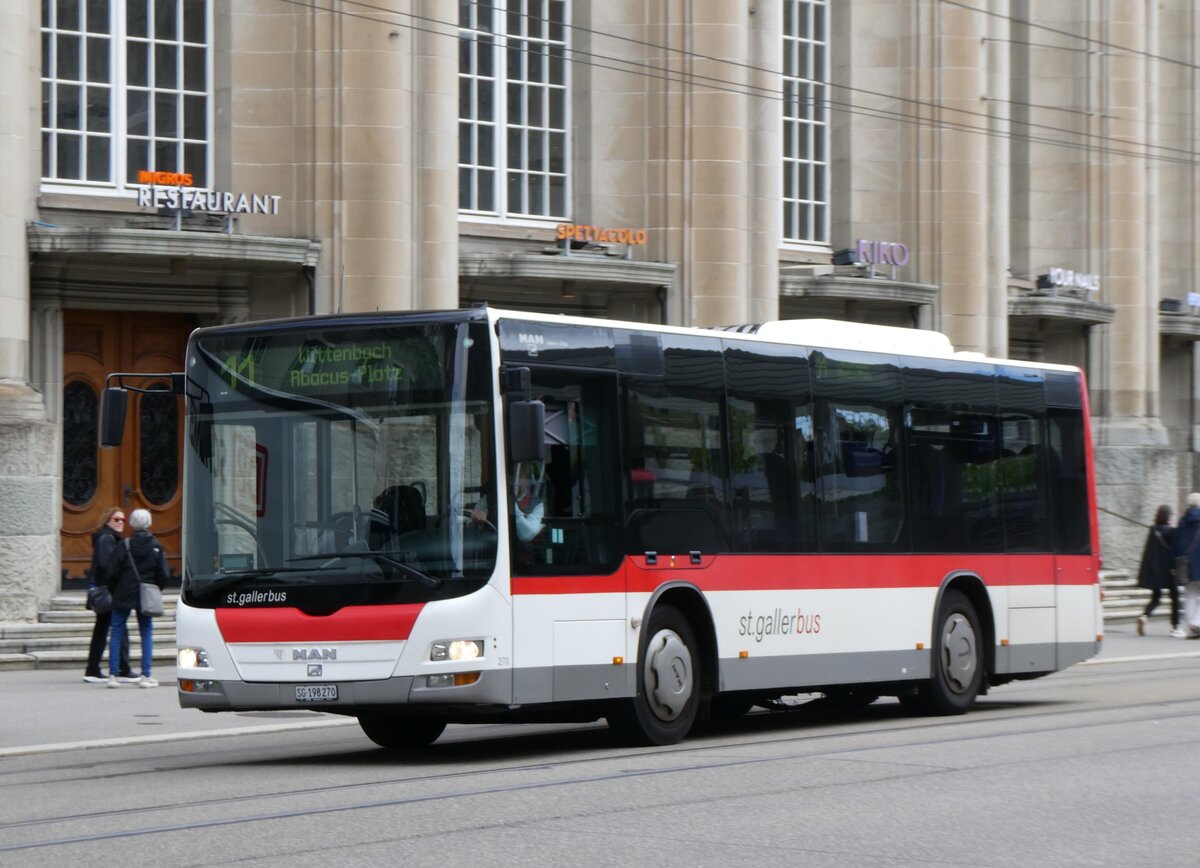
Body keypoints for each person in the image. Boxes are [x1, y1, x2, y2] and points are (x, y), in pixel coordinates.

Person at [106, 508, 169, 688]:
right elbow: (163, 574)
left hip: (123, 593)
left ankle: (113, 675)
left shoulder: (124, 545)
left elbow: (112, 572)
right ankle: (146, 675)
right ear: (148, 523)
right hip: (145, 595)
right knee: (146, 632)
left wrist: (114, 590)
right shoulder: (155, 545)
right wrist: (156, 589)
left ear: (132, 524)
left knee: (117, 632)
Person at [82, 507, 132, 683]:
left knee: (103, 630)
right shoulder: (107, 538)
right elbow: (106, 565)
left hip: (107, 590)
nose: (120, 522)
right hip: (108, 591)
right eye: (116, 519)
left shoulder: (109, 538)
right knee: (118, 629)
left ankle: (94, 668)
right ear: (107, 521)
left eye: (122, 520)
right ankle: (123, 668)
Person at [1135, 505, 1182, 638]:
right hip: (1168, 570)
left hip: (1155, 571)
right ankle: (1175, 626)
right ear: (1168, 517)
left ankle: (1144, 616)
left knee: (1156, 597)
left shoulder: (1153, 530)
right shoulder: (1171, 531)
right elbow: (1174, 551)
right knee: (1175, 598)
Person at [1172, 492, 1200, 639]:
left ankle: (1192, 625)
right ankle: (1198, 623)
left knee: (1190, 595)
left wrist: (1176, 561)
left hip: (1187, 565)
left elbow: (1176, 544)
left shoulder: (1182, 521)